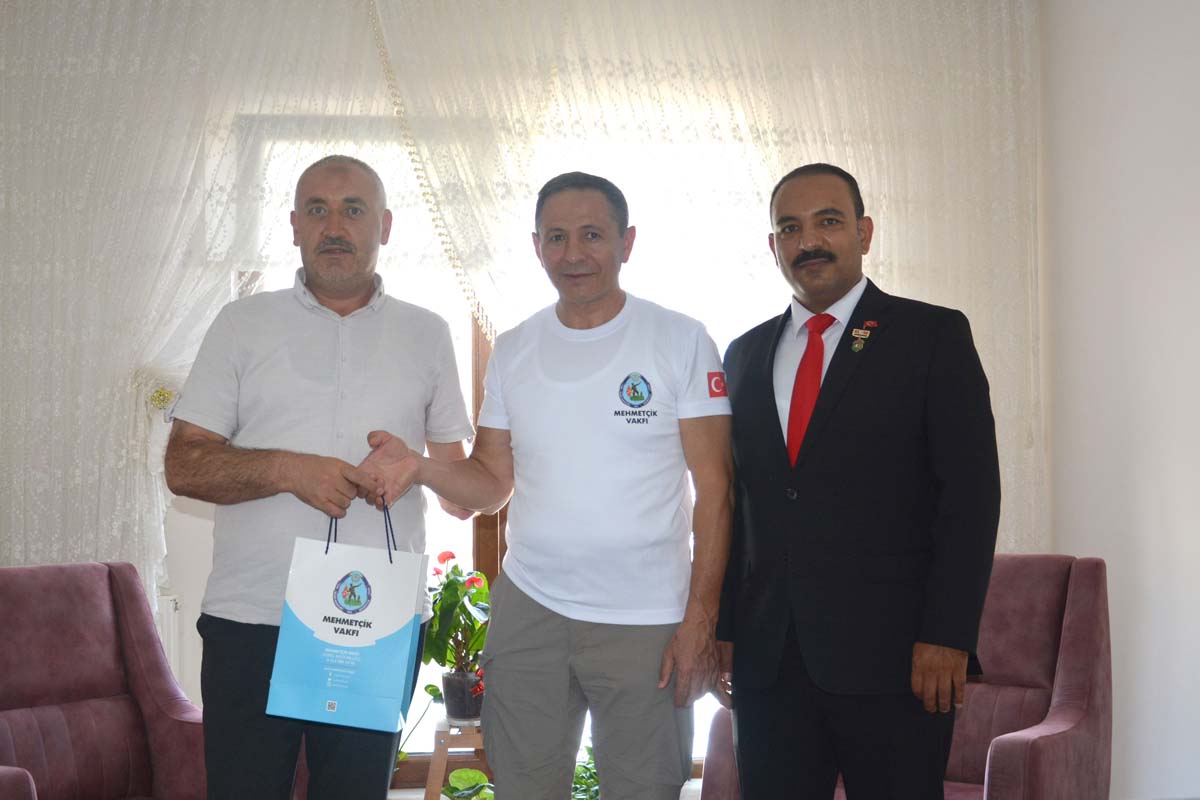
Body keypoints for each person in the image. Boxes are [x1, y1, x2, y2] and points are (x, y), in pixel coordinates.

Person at [364, 172, 734, 800]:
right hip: (531, 611)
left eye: (592, 235)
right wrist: (420, 467)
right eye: (556, 237)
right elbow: (491, 483)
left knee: (644, 790)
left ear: (627, 242)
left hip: (646, 618)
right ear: (537, 247)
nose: (573, 254)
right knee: (523, 789)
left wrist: (701, 618)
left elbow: (716, 490)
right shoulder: (515, 348)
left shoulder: (681, 339)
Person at [163, 155, 475, 799]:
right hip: (252, 618)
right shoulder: (240, 323)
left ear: (384, 226)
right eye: (317, 210)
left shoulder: (427, 333)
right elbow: (183, 464)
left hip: (375, 623)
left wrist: (415, 467)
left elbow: (462, 495)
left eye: (353, 209)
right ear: (294, 226)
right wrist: (286, 469)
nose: (334, 226)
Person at [717, 164, 1001, 799]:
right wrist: (726, 629)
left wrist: (948, 635)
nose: (808, 241)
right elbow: (738, 506)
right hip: (770, 664)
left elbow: (971, 498)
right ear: (773, 245)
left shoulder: (932, 335)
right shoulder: (742, 354)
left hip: (898, 661)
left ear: (864, 232)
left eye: (828, 221)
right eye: (790, 228)